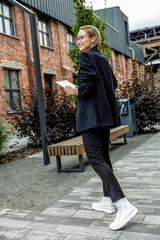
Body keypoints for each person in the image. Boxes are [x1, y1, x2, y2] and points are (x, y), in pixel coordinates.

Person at [64, 25, 138, 231]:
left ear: (92, 40)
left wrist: (74, 90)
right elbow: (112, 84)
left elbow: (85, 88)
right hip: (105, 116)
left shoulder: (87, 57)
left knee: (95, 159)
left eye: (81, 38)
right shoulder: (103, 59)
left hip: (91, 118)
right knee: (104, 157)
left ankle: (123, 204)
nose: (77, 41)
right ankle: (107, 200)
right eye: (76, 39)